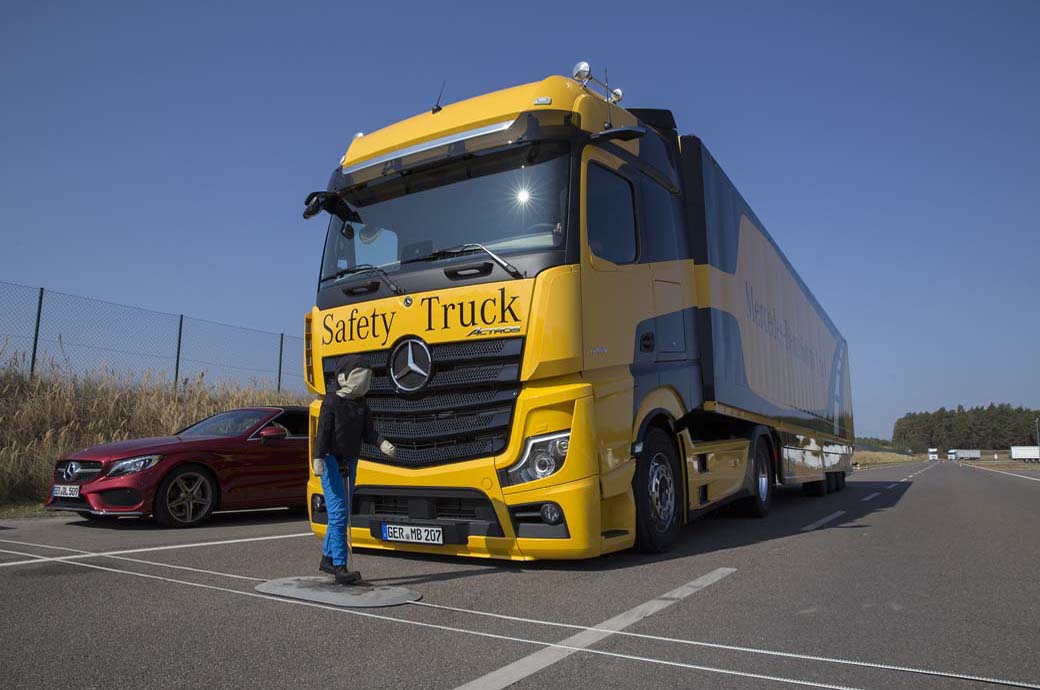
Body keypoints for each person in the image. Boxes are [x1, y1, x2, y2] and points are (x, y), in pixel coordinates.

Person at [313, 356, 395, 585]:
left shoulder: (361, 405)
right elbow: (323, 433)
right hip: (330, 461)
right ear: (343, 377)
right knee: (338, 512)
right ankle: (340, 566)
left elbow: (368, 432)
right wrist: (317, 458)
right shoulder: (331, 403)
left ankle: (327, 559)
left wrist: (382, 443)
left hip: (351, 461)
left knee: (342, 512)